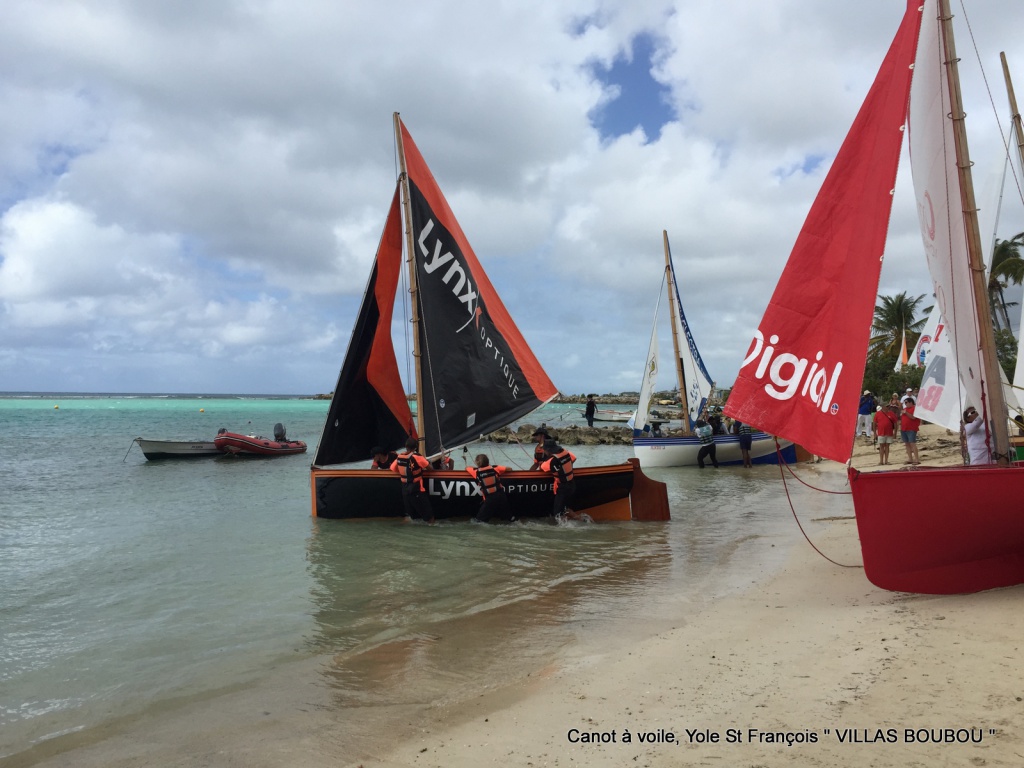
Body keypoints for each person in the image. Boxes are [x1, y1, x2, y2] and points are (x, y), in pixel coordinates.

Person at [390, 437, 434, 523]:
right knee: (429, 518)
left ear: (406, 446)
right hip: (416, 490)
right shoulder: (417, 457)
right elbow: (430, 469)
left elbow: (393, 468)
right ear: (416, 447)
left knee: (413, 518)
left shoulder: (400, 456)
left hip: (405, 491)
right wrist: (428, 462)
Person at [464, 453, 513, 523]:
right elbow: (509, 469)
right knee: (509, 518)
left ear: (477, 463)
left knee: (479, 521)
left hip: (490, 499)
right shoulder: (495, 468)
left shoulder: (476, 472)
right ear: (488, 461)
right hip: (501, 496)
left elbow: (467, 468)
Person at [539, 440, 577, 518]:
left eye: (544, 450)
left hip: (563, 488)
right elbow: (574, 458)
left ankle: (564, 529)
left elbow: (542, 468)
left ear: (548, 450)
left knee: (557, 513)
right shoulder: (566, 452)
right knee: (565, 508)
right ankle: (582, 519)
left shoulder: (552, 461)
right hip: (572, 484)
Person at [900, 397, 921, 464]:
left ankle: (917, 459)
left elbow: (913, 417)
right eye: (904, 403)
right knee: (907, 444)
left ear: (910, 402)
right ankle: (910, 459)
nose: (905, 404)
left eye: (906, 402)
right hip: (904, 428)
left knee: (912, 443)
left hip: (911, 428)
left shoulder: (915, 409)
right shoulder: (905, 409)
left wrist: (906, 413)